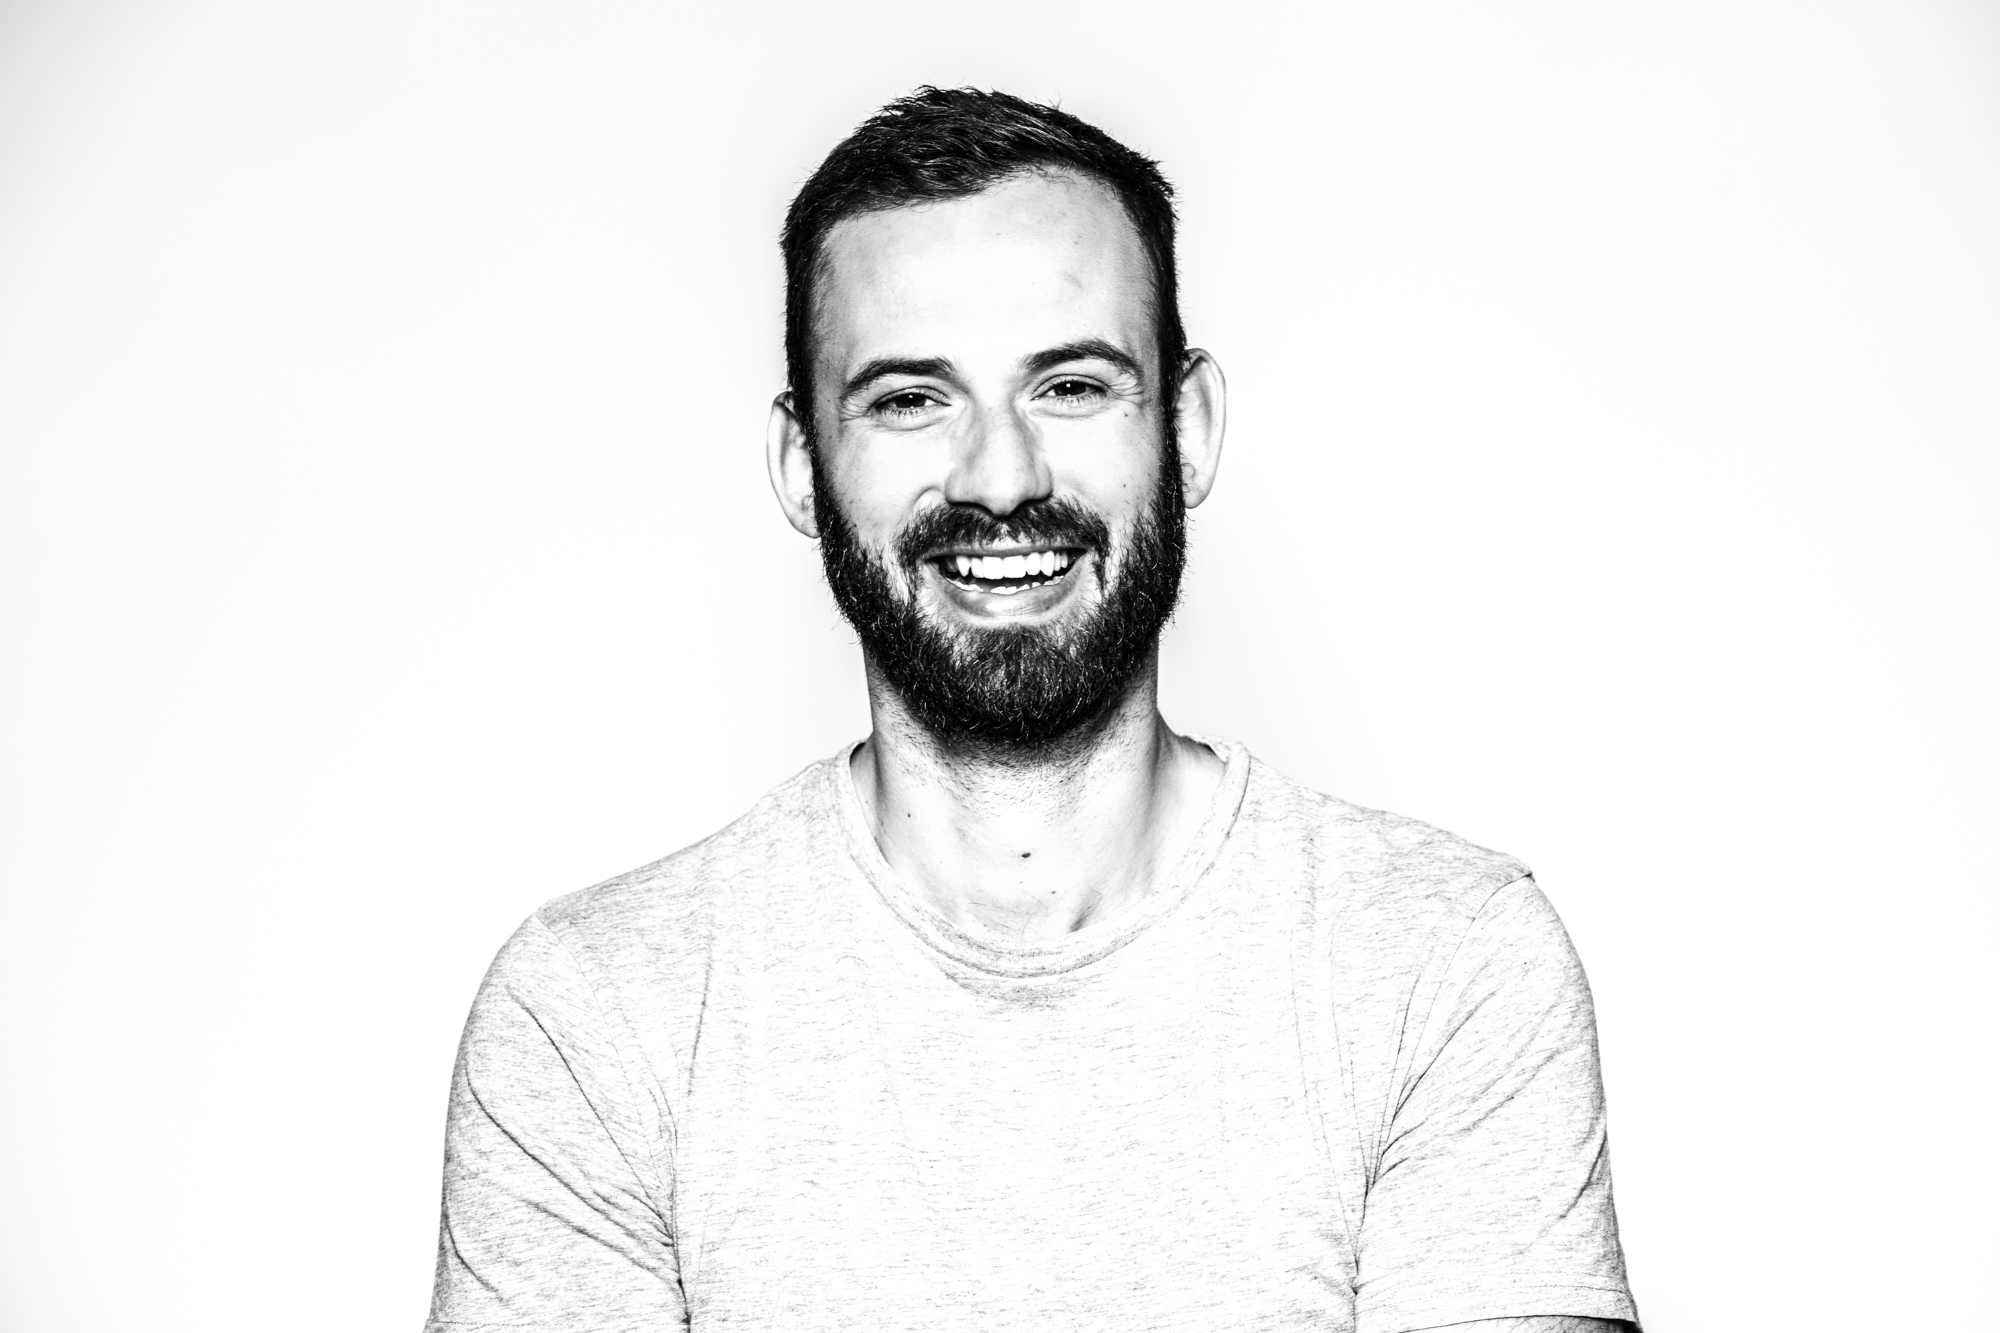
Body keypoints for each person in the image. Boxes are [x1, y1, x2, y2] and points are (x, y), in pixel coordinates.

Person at [424, 87, 1640, 1333]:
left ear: (1189, 426)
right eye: (909, 398)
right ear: (801, 466)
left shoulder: (1443, 965)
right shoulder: (592, 1014)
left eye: (1068, 386)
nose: (999, 476)